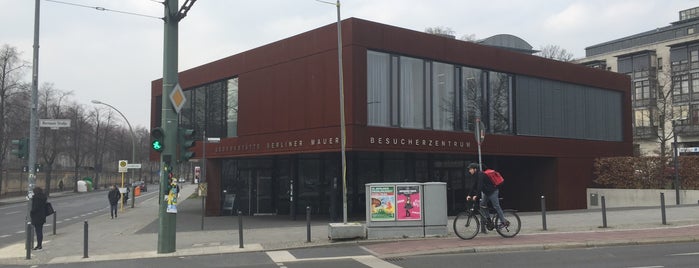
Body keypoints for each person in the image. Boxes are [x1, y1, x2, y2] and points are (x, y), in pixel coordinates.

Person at [466, 163, 509, 229]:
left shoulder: (480, 174)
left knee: (496, 206)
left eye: (470, 169)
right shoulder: (475, 176)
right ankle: (489, 220)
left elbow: (479, 186)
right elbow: (473, 186)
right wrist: (469, 195)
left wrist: (476, 195)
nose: (469, 171)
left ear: (475, 169)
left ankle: (504, 222)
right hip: (487, 193)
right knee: (482, 205)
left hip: (493, 192)